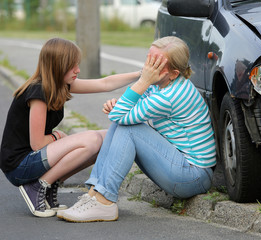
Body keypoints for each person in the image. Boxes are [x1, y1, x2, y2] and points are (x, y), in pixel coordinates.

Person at [57, 36, 217, 223]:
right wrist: (120, 104)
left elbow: (120, 115)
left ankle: (104, 200)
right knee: (123, 123)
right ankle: (95, 194)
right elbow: (128, 110)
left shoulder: (169, 97)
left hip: (193, 177)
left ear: (173, 73)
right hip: (181, 167)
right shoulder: (163, 85)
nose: (148, 68)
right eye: (148, 59)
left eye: (156, 64)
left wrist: (142, 82)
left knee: (128, 128)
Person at [0, 37, 142, 218]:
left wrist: (141, 75)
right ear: (58, 66)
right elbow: (37, 144)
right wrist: (58, 136)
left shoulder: (59, 85)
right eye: (72, 66)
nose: (78, 70)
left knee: (108, 138)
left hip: (36, 159)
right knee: (91, 140)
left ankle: (51, 184)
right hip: (19, 166)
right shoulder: (38, 91)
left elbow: (104, 84)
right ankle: (37, 186)